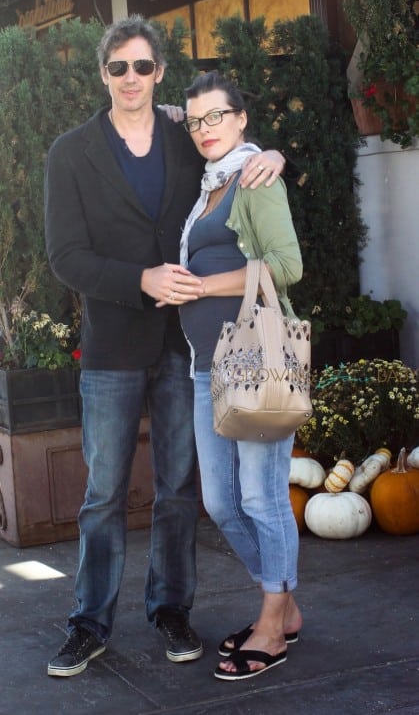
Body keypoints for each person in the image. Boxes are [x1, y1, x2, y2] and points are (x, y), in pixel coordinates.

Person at [44, 14, 285, 679]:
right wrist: (139, 279)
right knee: (103, 493)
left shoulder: (186, 138)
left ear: (158, 73)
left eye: (143, 67)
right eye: (118, 67)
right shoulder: (71, 152)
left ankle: (170, 610)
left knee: (179, 491)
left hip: (189, 347)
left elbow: (229, 141)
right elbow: (65, 257)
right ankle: (88, 624)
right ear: (103, 74)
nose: (131, 78)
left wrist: (270, 153)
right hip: (114, 346)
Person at [175, 71, 303, 681]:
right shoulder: (207, 188)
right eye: (197, 120)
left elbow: (285, 267)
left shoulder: (255, 178)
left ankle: (273, 621)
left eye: (217, 117)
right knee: (220, 501)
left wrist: (199, 285)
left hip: (256, 360)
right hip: (207, 367)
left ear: (242, 118)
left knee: (260, 495)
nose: (206, 129)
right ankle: (283, 601)